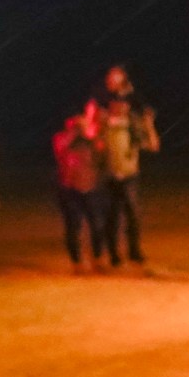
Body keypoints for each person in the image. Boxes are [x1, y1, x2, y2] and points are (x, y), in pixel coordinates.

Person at [94, 65, 160, 270]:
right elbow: (93, 143)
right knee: (112, 216)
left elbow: (153, 145)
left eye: (123, 104)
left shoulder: (133, 123)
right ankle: (114, 254)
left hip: (130, 173)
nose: (120, 107)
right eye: (116, 104)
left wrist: (149, 125)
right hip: (109, 175)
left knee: (132, 215)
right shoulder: (102, 123)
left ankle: (134, 252)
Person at [51, 99, 104, 273]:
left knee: (97, 224)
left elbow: (101, 150)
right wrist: (75, 130)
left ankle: (97, 258)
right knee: (73, 227)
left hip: (90, 186)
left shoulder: (90, 137)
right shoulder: (61, 137)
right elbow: (61, 149)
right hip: (69, 187)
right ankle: (77, 263)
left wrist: (90, 132)